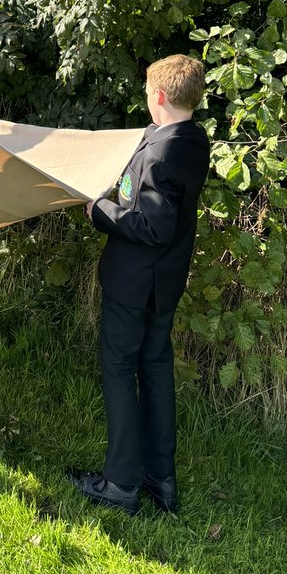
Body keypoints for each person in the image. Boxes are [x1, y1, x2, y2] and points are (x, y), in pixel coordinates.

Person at [69, 54, 210, 516]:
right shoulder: (191, 139)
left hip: (134, 283)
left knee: (118, 370)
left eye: (149, 93)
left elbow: (152, 227)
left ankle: (121, 483)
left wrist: (100, 212)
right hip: (165, 282)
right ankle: (161, 481)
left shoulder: (160, 153)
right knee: (154, 369)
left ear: (160, 96)